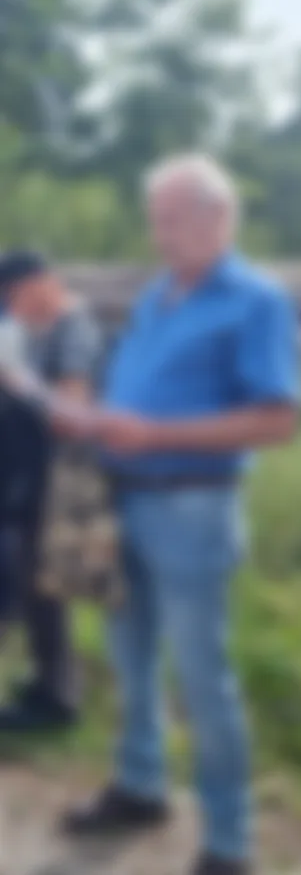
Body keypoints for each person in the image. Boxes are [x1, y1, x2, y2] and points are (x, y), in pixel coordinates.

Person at [73, 154, 299, 875]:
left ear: (217, 218)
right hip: (124, 498)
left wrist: (154, 435)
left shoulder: (252, 300)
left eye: (176, 217)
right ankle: (140, 785)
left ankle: (229, 840)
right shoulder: (159, 295)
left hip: (192, 506)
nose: (163, 232)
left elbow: (271, 419)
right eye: (158, 219)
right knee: (129, 656)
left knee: (201, 672)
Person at [0, 249, 99, 732]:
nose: (12, 306)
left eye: (15, 296)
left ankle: (55, 696)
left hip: (55, 478)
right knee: (29, 582)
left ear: (37, 284)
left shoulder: (72, 326)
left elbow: (73, 414)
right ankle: (47, 686)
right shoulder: (31, 324)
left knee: (43, 585)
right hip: (22, 476)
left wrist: (18, 382)